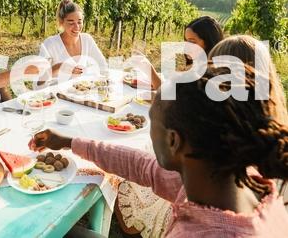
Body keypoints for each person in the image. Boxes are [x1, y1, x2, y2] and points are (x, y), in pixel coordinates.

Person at [30, 65, 288, 237]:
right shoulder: (230, 177)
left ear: (174, 141)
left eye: (152, 119)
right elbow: (142, 166)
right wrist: (68, 142)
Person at [130, 15, 224, 90]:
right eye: (185, 40)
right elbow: (170, 90)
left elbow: (172, 98)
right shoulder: (187, 61)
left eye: (192, 41)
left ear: (208, 43)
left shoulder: (213, 76)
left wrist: (150, 70)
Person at [39, 0, 108, 77]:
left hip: (82, 88)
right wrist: (60, 67)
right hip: (57, 89)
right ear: (61, 22)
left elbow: (103, 66)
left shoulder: (87, 40)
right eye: (71, 23)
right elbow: (40, 77)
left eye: (79, 22)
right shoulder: (50, 44)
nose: (77, 27)